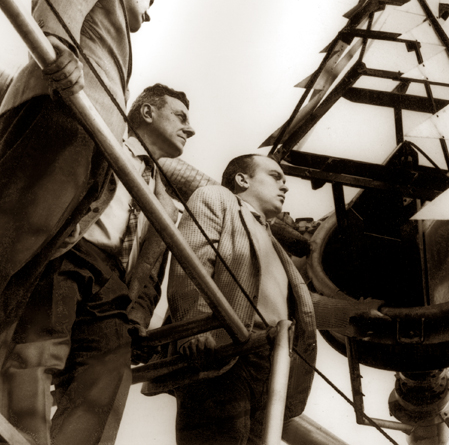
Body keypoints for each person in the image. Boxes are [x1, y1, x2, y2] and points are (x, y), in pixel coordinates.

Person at [0, 0, 155, 350]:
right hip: (62, 115)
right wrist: (59, 47)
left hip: (87, 140)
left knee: (27, 259)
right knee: (6, 232)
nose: (151, 11)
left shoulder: (119, 34)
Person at [0, 84, 195, 445]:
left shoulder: (165, 198)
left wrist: (138, 313)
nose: (189, 129)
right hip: (68, 251)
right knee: (39, 347)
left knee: (109, 371)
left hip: (114, 281)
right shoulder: (102, 139)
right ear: (147, 112)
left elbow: (151, 268)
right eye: (180, 116)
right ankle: (24, 438)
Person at [147, 154, 383, 445]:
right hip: (223, 351)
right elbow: (192, 259)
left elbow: (301, 306)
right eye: (275, 176)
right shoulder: (216, 198)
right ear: (242, 180)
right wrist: (196, 327)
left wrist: (354, 313)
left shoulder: (274, 245)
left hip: (270, 365)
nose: (284, 186)